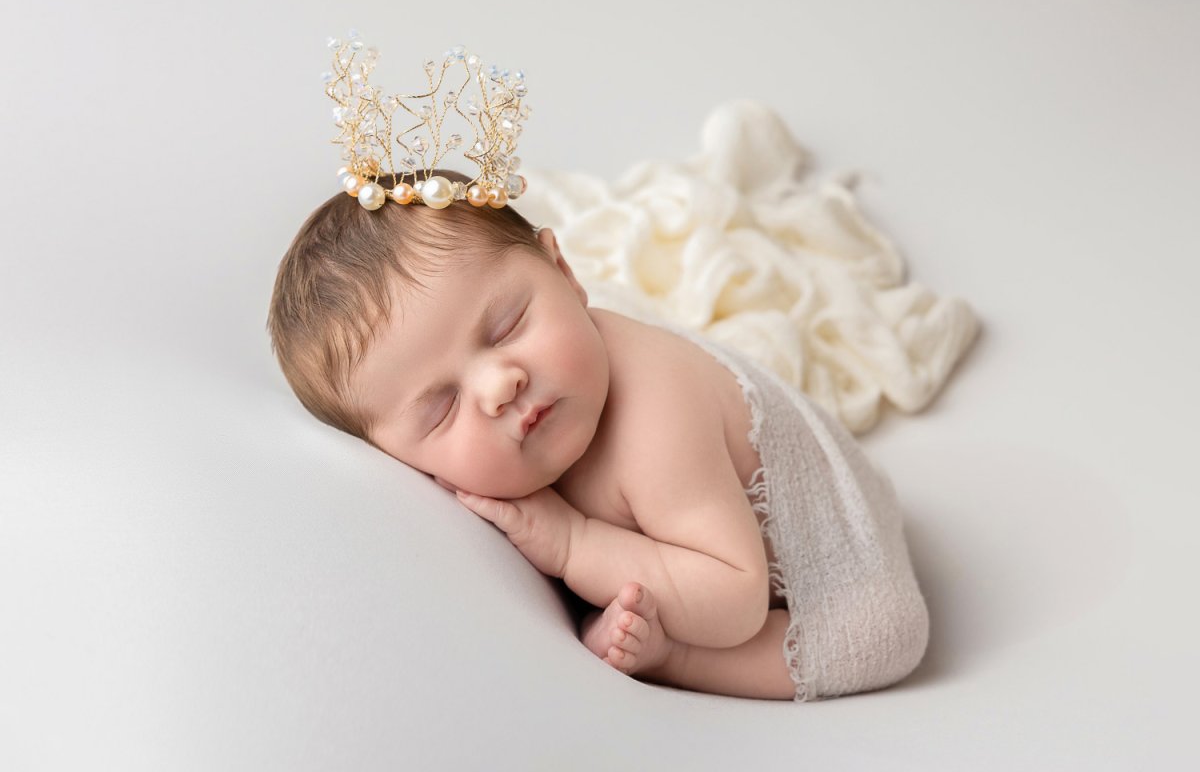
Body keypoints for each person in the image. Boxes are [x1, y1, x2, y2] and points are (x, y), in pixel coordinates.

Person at [267, 166, 930, 702]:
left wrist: (572, 542)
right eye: (441, 409)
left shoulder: (654, 417)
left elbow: (735, 600)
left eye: (505, 328)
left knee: (886, 635)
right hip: (695, 536)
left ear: (564, 272)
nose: (501, 385)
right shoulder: (530, 425)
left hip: (820, 545)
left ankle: (677, 660)